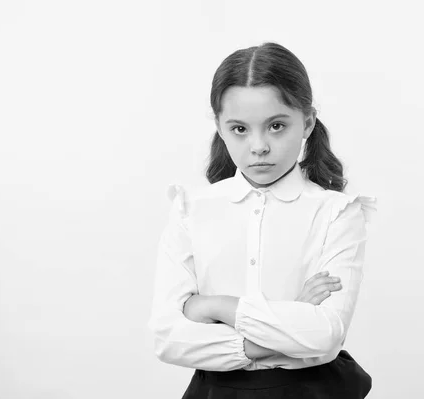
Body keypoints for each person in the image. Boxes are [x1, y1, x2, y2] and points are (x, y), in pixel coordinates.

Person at [147, 42, 377, 398]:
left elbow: (324, 335)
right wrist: (293, 318)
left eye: (276, 126)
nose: (258, 146)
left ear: (308, 122)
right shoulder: (191, 210)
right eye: (239, 129)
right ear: (220, 128)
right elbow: (168, 340)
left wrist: (215, 306)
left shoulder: (337, 214)